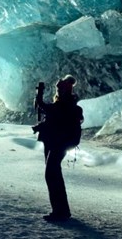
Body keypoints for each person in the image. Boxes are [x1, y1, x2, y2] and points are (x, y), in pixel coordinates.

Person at [31, 75, 82, 222]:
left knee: (52, 174)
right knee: (53, 174)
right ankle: (61, 210)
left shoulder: (66, 106)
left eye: (60, 88)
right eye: (57, 88)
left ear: (66, 89)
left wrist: (39, 95)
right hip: (54, 142)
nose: (58, 90)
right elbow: (53, 119)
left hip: (58, 143)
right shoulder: (64, 105)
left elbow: (52, 113)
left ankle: (60, 211)